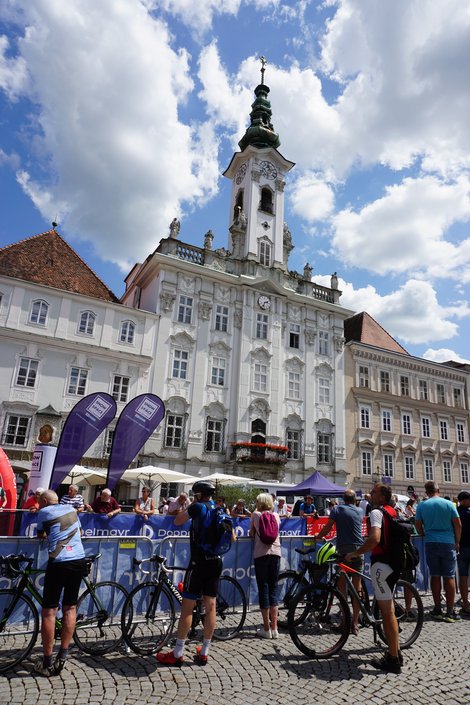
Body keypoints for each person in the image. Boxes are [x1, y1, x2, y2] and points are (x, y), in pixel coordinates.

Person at [156, 481, 229, 666]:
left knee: (187, 606)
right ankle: (204, 651)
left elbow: (177, 520)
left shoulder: (198, 507)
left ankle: (178, 652)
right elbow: (232, 536)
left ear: (198, 494)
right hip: (216, 561)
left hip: (199, 562)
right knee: (210, 605)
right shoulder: (220, 509)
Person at [345, 483, 403, 673]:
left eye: (374, 491)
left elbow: (375, 538)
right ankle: (395, 650)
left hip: (382, 566)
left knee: (387, 613)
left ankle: (393, 659)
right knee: (389, 610)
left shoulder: (377, 513)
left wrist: (356, 553)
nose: (370, 493)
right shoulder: (392, 512)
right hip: (394, 564)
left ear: (382, 497)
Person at [34, 489, 86, 676]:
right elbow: (80, 531)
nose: (39, 504)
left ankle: (47, 661)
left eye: (40, 501)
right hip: (78, 559)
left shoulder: (44, 512)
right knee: (70, 608)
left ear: (46, 501)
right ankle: (62, 656)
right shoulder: (71, 509)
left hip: (59, 561)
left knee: (49, 611)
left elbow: (41, 535)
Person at [314, 489, 364, 634]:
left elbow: (328, 527)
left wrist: (318, 536)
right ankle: (355, 622)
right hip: (358, 550)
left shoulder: (337, 509)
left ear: (343, 499)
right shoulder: (360, 511)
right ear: (354, 500)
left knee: (342, 588)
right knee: (357, 588)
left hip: (343, 551)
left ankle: (344, 621)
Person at [415, 480, 461, 622]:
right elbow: (458, 524)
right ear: (438, 490)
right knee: (449, 576)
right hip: (447, 541)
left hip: (431, 541)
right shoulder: (448, 504)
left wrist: (423, 532)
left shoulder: (422, 505)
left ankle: (437, 608)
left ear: (426, 492)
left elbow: (417, 524)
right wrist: (457, 541)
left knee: (435, 575)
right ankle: (450, 610)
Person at [249, 493, 281, 639]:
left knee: (263, 588)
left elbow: (251, 533)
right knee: (274, 588)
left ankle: (266, 629)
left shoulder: (256, 515)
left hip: (261, 554)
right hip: (276, 553)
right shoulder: (276, 516)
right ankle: (275, 629)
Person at [457, 490, 470, 616]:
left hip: (461, 547)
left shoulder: (456, 513)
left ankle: (466, 603)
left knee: (463, 577)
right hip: (467, 547)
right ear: (464, 500)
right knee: (464, 577)